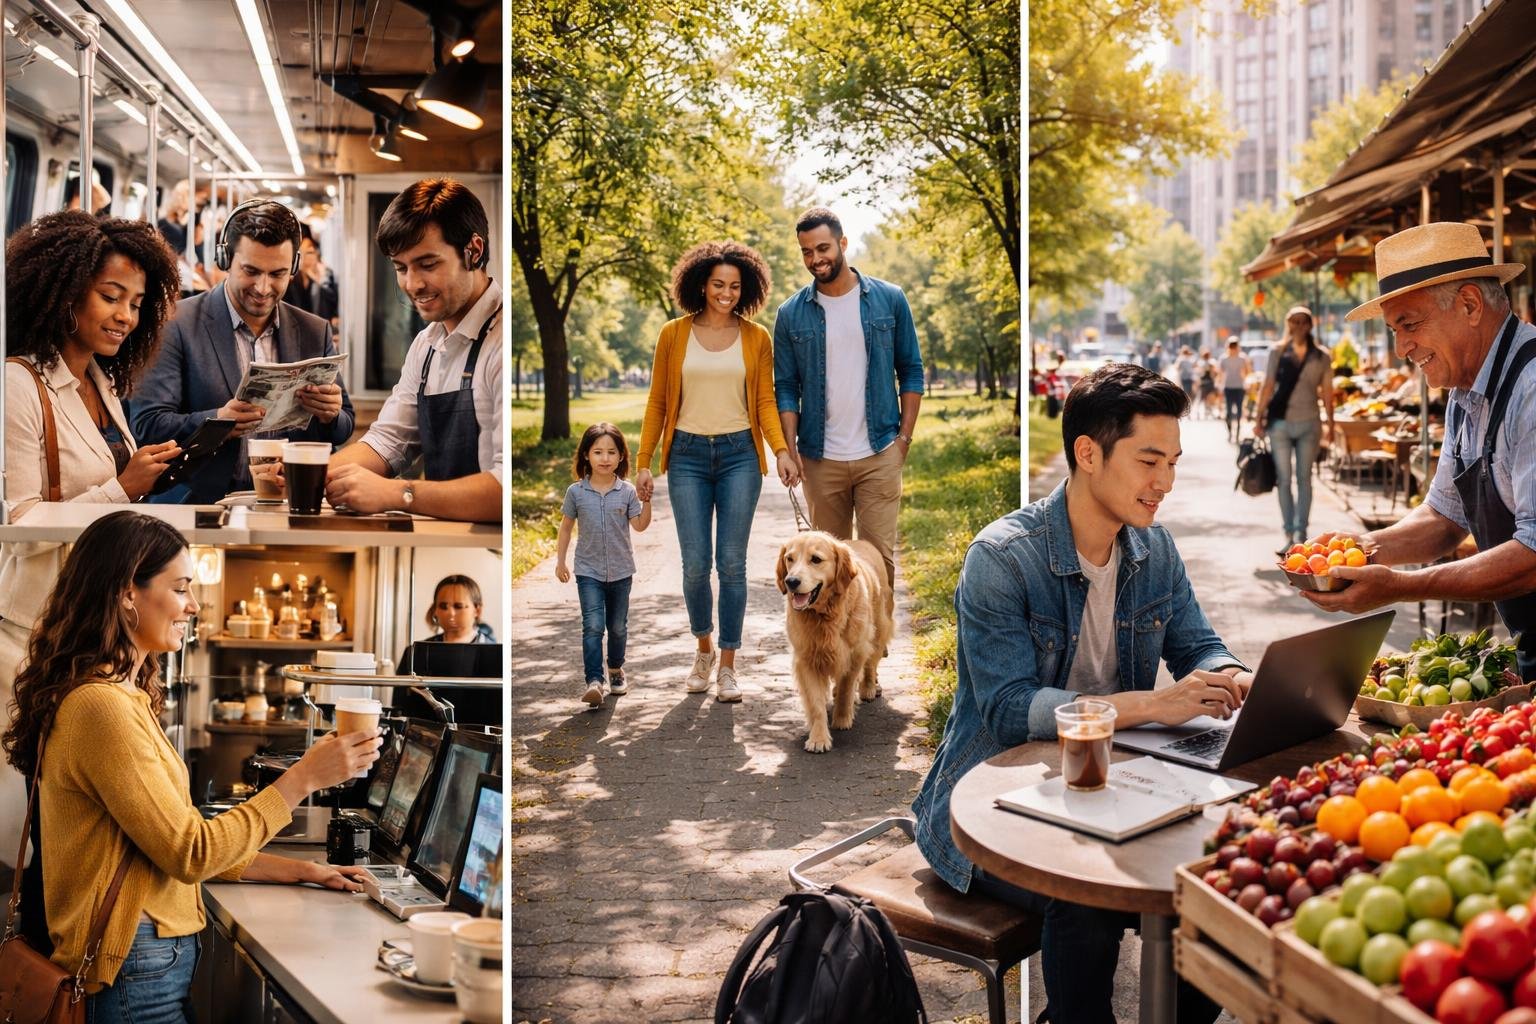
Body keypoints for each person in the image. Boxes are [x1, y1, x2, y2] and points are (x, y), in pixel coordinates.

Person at [910, 363, 1251, 1023]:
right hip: (989, 812)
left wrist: (1237, 678)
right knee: (1086, 900)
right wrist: (1151, 705)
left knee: (1222, 879)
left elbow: (1199, 646)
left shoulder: (1155, 549)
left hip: (1111, 793)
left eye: (1173, 463)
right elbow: (1009, 712)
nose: (1165, 483)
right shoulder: (1001, 559)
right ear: (1088, 454)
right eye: (1148, 461)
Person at [0, 511, 380, 1018]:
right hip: (133, 968)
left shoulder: (117, 696)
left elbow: (167, 841)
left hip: (143, 964)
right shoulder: (102, 707)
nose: (194, 605)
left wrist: (302, 871)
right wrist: (304, 778)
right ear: (127, 594)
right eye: (180, 588)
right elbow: (190, 853)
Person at [0, 211, 185, 862]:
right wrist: (122, 489)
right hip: (33, 635)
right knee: (31, 835)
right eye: (111, 297)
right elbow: (19, 524)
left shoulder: (101, 382)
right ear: (62, 290)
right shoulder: (18, 384)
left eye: (136, 303)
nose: (125, 316)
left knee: (81, 830)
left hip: (93, 634)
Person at [1302, 221, 1536, 683]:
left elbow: (1533, 554)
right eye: (1393, 330)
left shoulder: (1532, 386)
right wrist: (1358, 551)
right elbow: (1443, 517)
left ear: (1469, 304)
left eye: (1409, 324)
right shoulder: (1464, 392)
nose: (1401, 348)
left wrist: (1401, 586)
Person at [637, 241, 796, 701]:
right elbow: (658, 401)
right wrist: (643, 461)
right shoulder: (673, 334)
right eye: (718, 284)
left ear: (747, 289)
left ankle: (728, 665)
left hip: (739, 455)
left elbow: (764, 400)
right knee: (694, 565)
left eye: (735, 286)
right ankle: (703, 649)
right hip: (686, 455)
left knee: (731, 563)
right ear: (700, 285)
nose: (726, 293)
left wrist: (781, 451)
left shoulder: (756, 337)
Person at [132, 198, 354, 504]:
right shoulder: (175, 324)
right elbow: (147, 426)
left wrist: (331, 414)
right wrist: (219, 422)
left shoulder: (314, 331)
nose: (263, 287)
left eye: (277, 274)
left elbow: (344, 427)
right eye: (251, 271)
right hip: (198, 504)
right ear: (225, 260)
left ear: (293, 267)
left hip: (285, 501)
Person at [324, 179, 501, 523]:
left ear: (474, 251)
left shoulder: (501, 342)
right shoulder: (426, 346)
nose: (412, 284)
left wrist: (398, 494)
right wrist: (306, 473)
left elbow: (504, 488)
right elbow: (389, 441)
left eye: (428, 264)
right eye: (401, 268)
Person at [774, 207, 924, 589]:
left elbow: (911, 370)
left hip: (879, 452)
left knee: (878, 562)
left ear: (842, 243)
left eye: (823, 248)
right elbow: (786, 386)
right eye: (806, 252)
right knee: (824, 572)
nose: (815, 259)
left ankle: (877, 630)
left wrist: (903, 440)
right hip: (820, 460)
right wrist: (789, 449)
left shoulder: (890, 299)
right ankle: (836, 631)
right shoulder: (790, 314)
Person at [559, 423, 652, 706]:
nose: (605, 458)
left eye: (611, 452)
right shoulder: (576, 492)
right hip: (588, 571)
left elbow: (640, 525)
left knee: (618, 627)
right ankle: (594, 681)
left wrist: (647, 502)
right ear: (586, 455)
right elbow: (566, 527)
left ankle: (615, 669)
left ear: (621, 456)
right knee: (593, 626)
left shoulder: (627, 492)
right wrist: (560, 561)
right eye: (597, 451)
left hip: (621, 572)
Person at [1254, 306, 1335, 552]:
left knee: (1304, 479)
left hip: (1310, 423)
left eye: (1303, 322)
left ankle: (1301, 533)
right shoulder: (1277, 352)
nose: (1298, 326)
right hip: (1279, 423)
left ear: (1310, 325)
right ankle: (1289, 533)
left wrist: (1331, 424)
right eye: (1294, 321)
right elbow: (1268, 385)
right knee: (1284, 479)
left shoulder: (1321, 356)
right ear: (1288, 324)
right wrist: (1258, 417)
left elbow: (1328, 393)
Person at [395, 574, 501, 725]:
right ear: (435, 610)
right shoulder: (414, 653)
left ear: (477, 609)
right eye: (443, 606)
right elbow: (400, 707)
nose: (450, 613)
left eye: (458, 606)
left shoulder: (496, 655)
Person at [283, 223, 340, 328]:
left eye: (312, 252)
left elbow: (330, 308)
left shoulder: (323, 276)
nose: (310, 256)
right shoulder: (292, 280)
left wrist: (320, 281)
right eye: (306, 253)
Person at [1220, 339, 1252, 443]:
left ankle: (1237, 433)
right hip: (1228, 387)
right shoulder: (1224, 358)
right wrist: (1220, 386)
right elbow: (1221, 374)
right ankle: (1230, 433)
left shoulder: (1242, 358)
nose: (1233, 349)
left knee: (1239, 411)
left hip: (1239, 387)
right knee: (1229, 412)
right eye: (1232, 346)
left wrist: (1246, 382)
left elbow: (1248, 371)